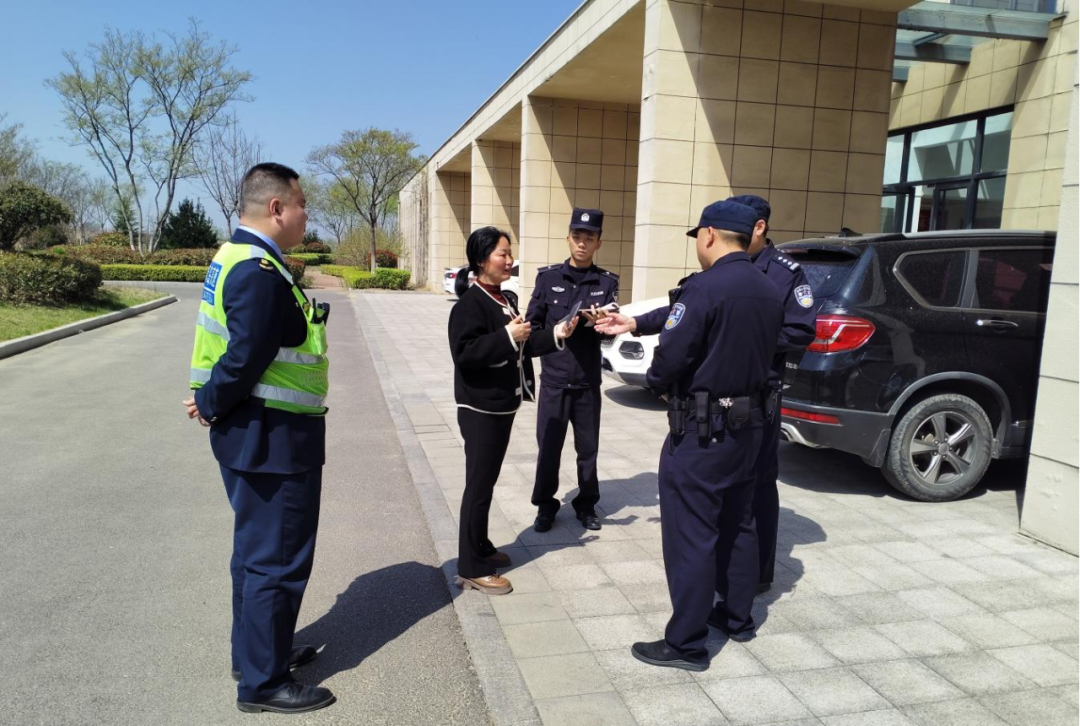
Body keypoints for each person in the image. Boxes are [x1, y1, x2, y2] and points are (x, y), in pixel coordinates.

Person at [182, 162, 335, 714]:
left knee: (254, 555)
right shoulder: (257, 271)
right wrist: (210, 400)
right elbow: (245, 355)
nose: (306, 214)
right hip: (273, 438)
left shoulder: (236, 257)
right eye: (301, 204)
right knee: (277, 559)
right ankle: (263, 683)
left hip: (258, 433)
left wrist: (210, 399)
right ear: (276, 208)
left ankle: (254, 657)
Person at [621, 201, 784, 671]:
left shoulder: (705, 288)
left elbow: (671, 356)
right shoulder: (769, 288)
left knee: (692, 534)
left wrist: (657, 381)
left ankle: (686, 643)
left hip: (702, 432)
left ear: (710, 234)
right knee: (739, 522)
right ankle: (736, 617)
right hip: (751, 425)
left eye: (698, 236)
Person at [448, 226, 578, 596]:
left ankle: (481, 546)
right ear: (481, 260)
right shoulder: (469, 305)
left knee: (485, 483)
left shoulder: (502, 298)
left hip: (501, 406)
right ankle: (471, 567)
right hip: (480, 409)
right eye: (502, 254)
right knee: (478, 485)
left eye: (509, 253)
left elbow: (523, 344)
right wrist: (507, 336)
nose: (509, 260)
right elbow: (465, 354)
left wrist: (557, 334)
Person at [726, 195, 816, 592]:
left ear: (759, 227)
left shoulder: (785, 273)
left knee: (759, 481)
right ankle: (727, 566)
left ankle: (759, 573)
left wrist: (748, 338)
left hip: (761, 393)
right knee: (726, 480)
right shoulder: (726, 264)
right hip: (720, 393)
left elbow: (800, 330)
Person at [526, 208, 619, 532]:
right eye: (577, 237)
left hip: (586, 384)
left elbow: (611, 334)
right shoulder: (548, 278)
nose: (582, 243)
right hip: (554, 381)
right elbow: (534, 327)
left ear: (598, 243)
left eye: (589, 238)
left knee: (588, 450)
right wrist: (553, 333)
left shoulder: (607, 282)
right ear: (568, 238)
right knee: (548, 449)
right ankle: (545, 506)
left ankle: (587, 505)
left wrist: (602, 325)